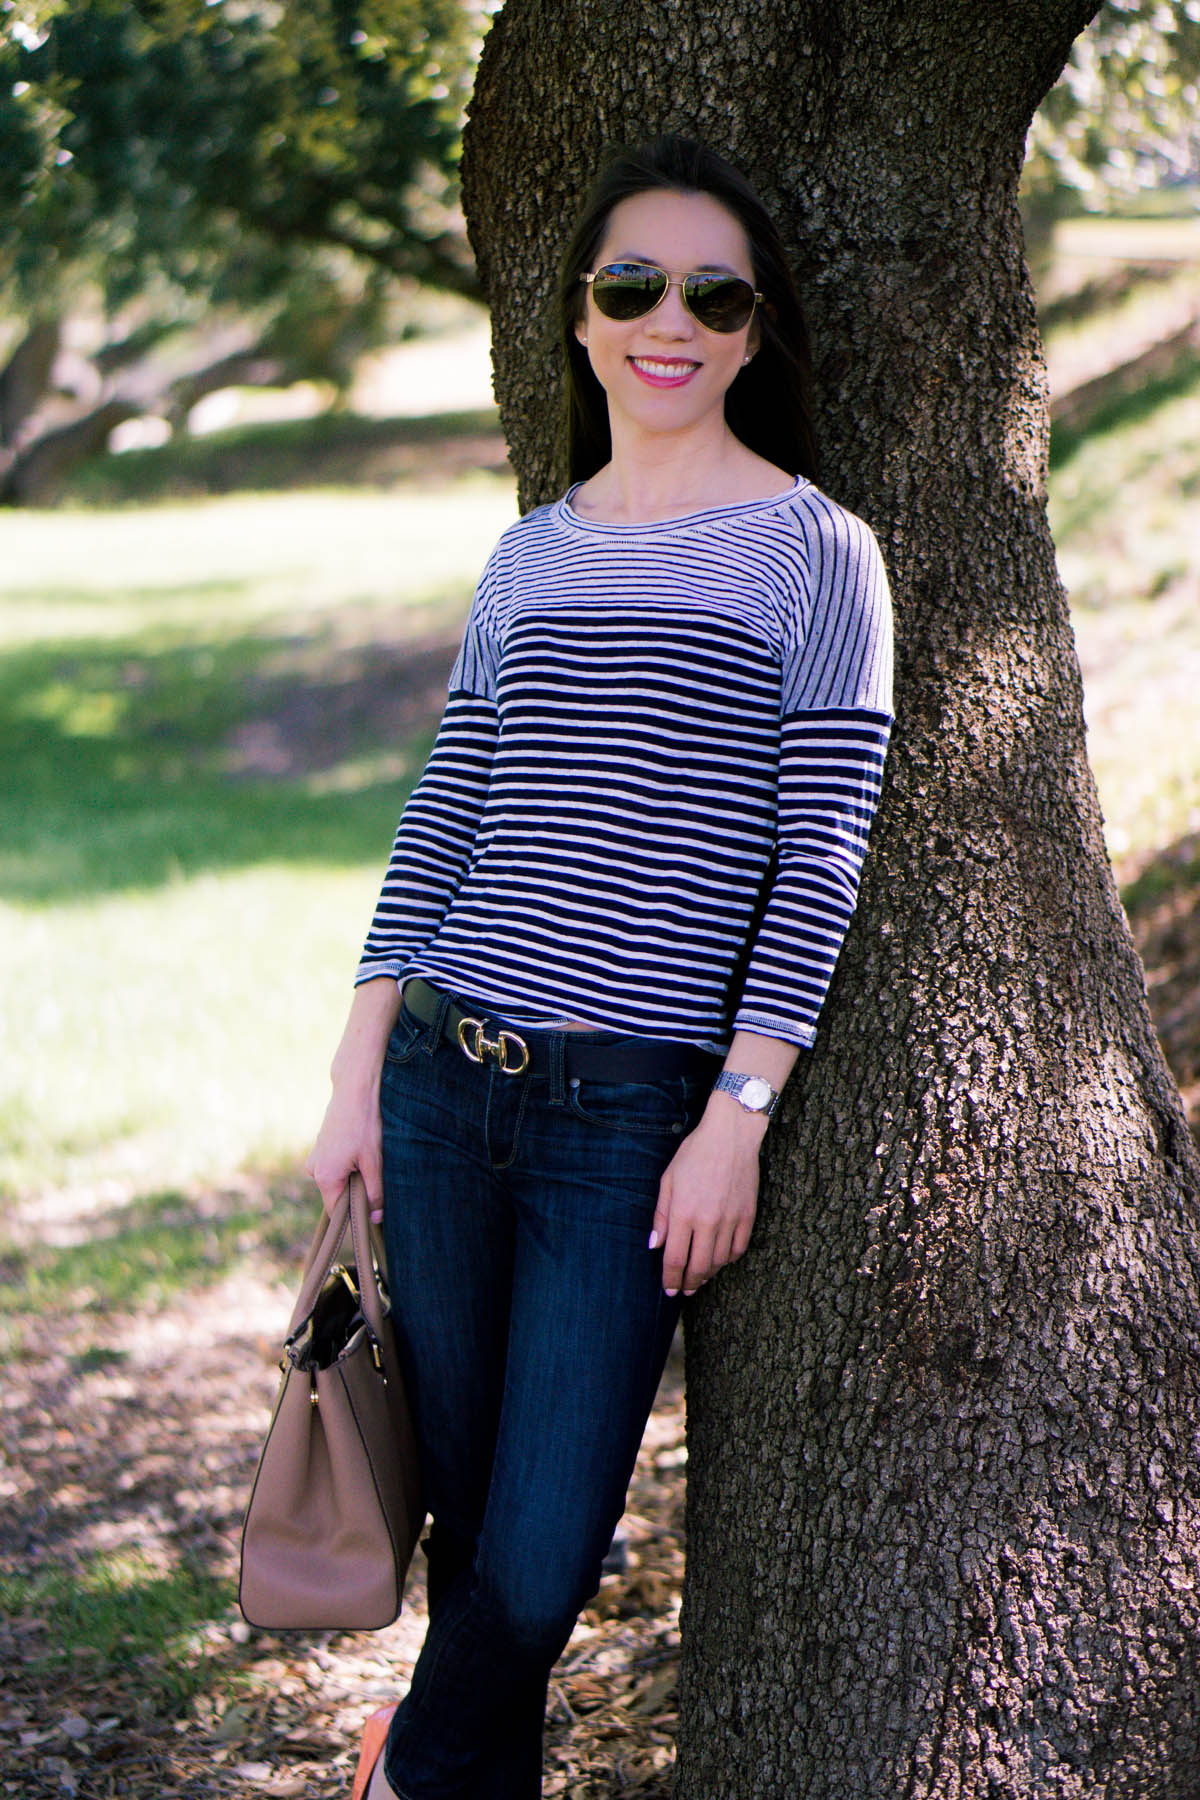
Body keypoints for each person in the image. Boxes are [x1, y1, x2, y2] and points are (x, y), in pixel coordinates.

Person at [306, 133, 893, 1800]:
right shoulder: (532, 552)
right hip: (443, 1084)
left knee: (547, 1547)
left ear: (755, 331)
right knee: (471, 1512)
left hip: (626, 1121)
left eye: (714, 295)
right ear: (577, 319)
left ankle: (406, 1770)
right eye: (633, 285)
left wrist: (740, 1114)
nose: (671, 321)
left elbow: (819, 852)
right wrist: (355, 1077)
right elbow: (444, 823)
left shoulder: (817, 553)